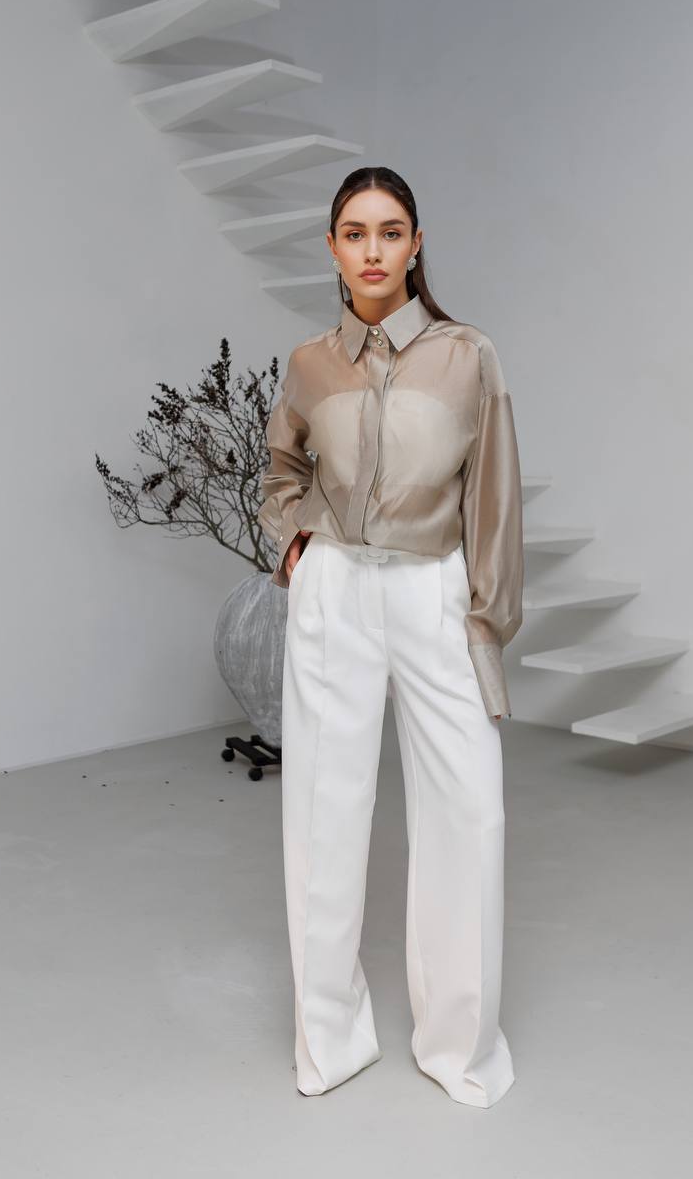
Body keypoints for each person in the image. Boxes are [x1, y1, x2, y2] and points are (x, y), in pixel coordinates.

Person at [257, 165, 524, 1108]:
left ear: (416, 245)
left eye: (391, 231)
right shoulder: (308, 363)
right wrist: (293, 541)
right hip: (335, 588)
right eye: (354, 232)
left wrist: (485, 622)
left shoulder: (467, 355)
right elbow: (281, 464)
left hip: (432, 590)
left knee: (468, 815)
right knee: (322, 817)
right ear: (332, 248)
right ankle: (327, 1042)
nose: (373, 250)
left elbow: (491, 502)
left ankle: (460, 1046)